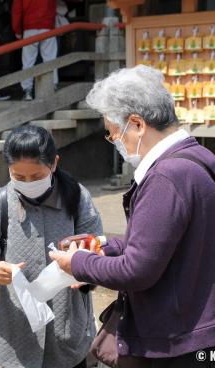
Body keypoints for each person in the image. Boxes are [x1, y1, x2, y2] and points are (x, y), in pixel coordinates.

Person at [50, 65, 215, 367]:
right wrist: (102, 247)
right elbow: (161, 241)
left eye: (114, 133)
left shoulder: (166, 176)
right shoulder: (198, 157)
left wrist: (78, 263)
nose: (115, 142)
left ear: (137, 124)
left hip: (179, 339)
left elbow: (137, 270)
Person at [0, 125, 103, 368]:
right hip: (15, 331)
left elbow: (96, 248)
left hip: (67, 329)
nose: (28, 182)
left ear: (54, 164)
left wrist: (86, 270)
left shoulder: (78, 198)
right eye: (18, 177)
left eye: (36, 176)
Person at [12, 0, 58, 101]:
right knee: (50, 59)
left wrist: (17, 30)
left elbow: (17, 10)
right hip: (47, 26)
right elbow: (54, 6)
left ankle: (27, 91)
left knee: (28, 61)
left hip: (30, 28)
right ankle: (52, 85)